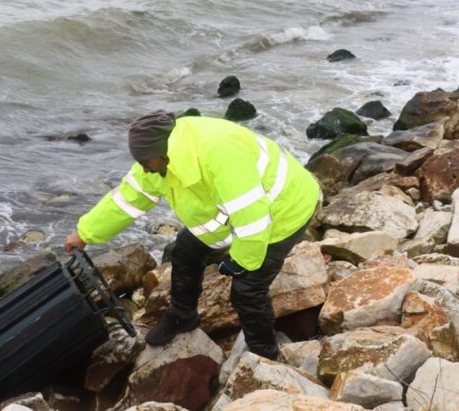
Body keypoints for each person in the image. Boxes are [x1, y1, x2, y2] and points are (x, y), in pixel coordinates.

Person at [64, 110, 319, 360]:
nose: (144, 169)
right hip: (239, 214)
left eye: (145, 162)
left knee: (247, 290)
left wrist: (242, 261)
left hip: (285, 210)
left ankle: (263, 358)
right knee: (184, 250)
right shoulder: (161, 160)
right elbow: (126, 201)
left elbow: (253, 216)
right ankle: (182, 315)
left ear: (160, 153)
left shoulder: (219, 154)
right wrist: (84, 233)